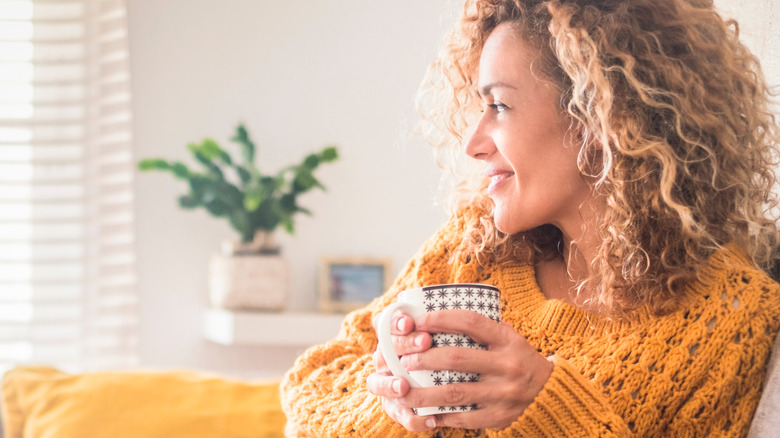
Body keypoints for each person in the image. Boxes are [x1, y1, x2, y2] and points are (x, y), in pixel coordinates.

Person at [281, 0, 780, 436]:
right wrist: (395, 399)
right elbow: (310, 389)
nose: (473, 144)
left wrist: (548, 409)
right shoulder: (473, 247)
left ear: (600, 116)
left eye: (499, 105)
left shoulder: (729, 319)